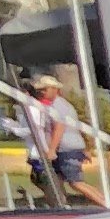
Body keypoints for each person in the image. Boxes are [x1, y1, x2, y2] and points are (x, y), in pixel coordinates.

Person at [19, 78, 82, 208]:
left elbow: (58, 126)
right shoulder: (44, 105)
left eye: (44, 89)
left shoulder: (54, 105)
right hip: (48, 148)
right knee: (51, 178)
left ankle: (105, 203)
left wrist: (52, 149)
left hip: (58, 148)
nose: (41, 92)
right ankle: (60, 203)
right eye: (40, 90)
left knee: (74, 182)